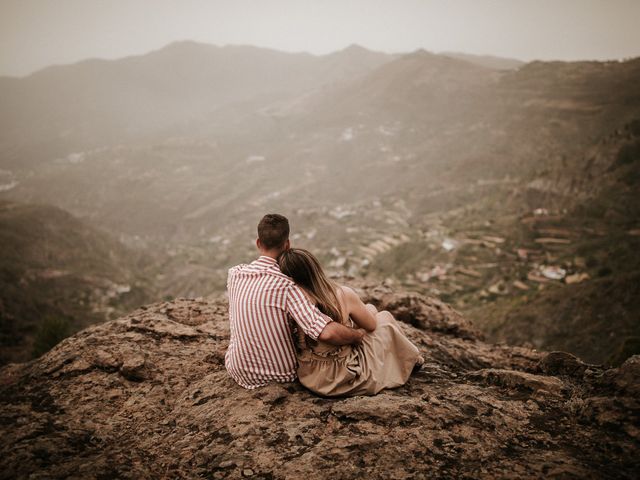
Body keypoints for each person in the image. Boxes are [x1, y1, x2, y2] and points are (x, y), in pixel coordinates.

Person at [224, 213, 366, 390]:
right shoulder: (286, 286)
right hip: (278, 376)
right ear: (287, 244)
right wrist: (357, 335)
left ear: (258, 243)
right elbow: (327, 333)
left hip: (237, 369)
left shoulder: (234, 274)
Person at [278, 248, 424, 397]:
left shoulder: (288, 303)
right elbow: (371, 325)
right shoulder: (342, 294)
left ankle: (411, 356)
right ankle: (412, 358)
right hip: (342, 377)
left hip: (311, 376)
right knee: (384, 318)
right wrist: (371, 310)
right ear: (315, 268)